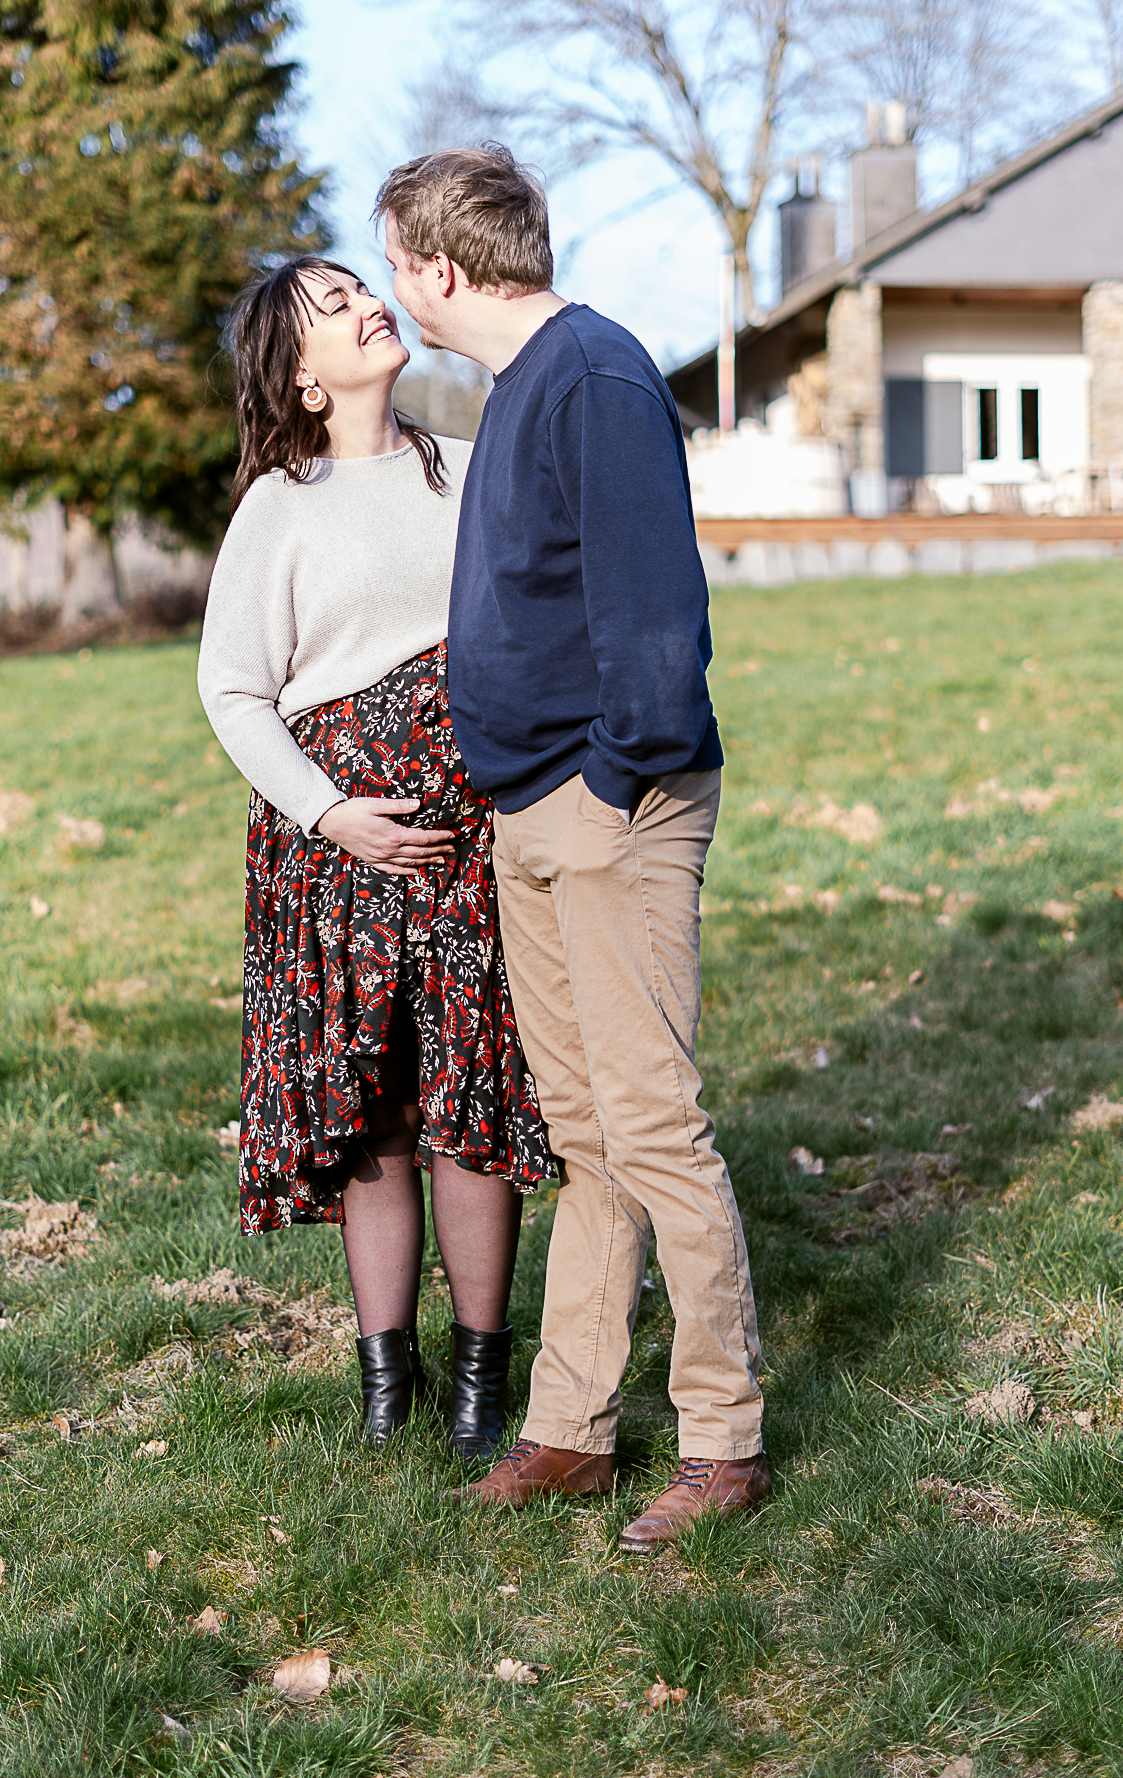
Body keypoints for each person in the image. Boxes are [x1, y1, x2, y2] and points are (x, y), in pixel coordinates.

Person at [373, 146, 770, 1549]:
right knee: (588, 1134)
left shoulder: (593, 374)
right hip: (527, 810)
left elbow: (656, 611)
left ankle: (722, 1443)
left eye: (393, 263)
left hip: (612, 804)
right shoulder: (514, 384)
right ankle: (569, 1431)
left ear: (436, 269)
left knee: (653, 1124)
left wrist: (610, 787)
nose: (392, 288)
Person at [197, 255, 553, 1459]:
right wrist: (327, 808)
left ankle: (478, 1386)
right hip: (336, 853)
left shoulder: (466, 466)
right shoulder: (279, 507)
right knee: (376, 1121)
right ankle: (386, 1381)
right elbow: (233, 689)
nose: (368, 305)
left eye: (365, 287)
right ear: (301, 375)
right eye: (335, 306)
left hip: (469, 839)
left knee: (471, 1106)